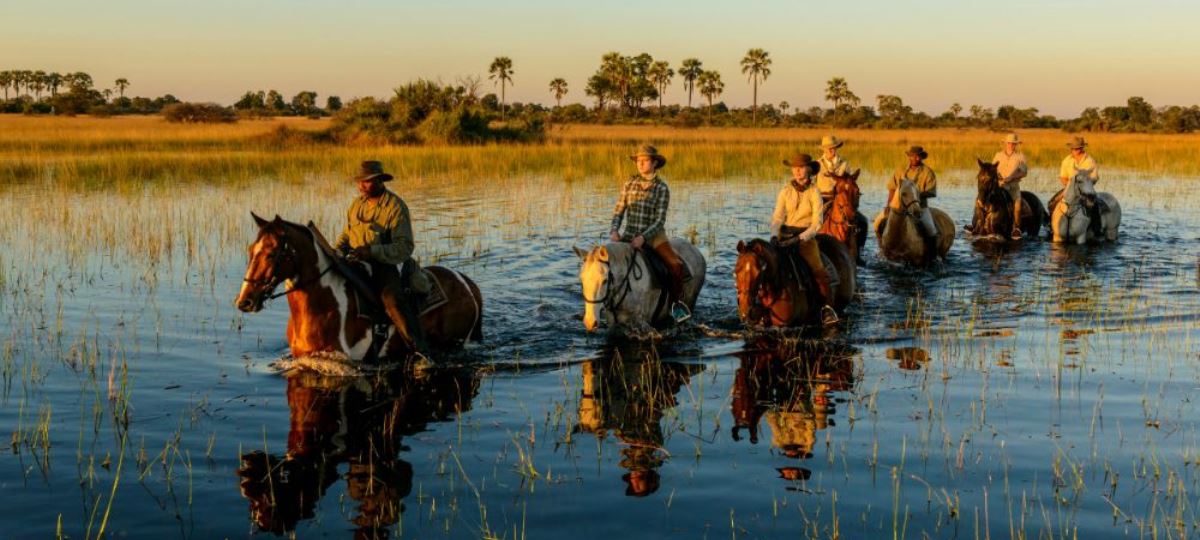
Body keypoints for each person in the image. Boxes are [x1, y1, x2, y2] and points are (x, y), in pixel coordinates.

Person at [335, 160, 430, 355]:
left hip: (384, 267)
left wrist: (372, 252)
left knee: (393, 302)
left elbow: (404, 247)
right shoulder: (356, 205)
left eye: (367, 181)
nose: (361, 186)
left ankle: (420, 352)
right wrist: (335, 251)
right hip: (355, 264)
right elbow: (347, 234)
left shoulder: (395, 207)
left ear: (379, 180)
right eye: (359, 181)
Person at [609, 145, 690, 323]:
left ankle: (676, 305)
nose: (640, 163)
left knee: (676, 266)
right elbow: (618, 211)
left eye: (645, 160)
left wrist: (643, 237)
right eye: (638, 160)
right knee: (605, 265)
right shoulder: (628, 184)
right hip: (629, 233)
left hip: (654, 236)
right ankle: (605, 304)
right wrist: (614, 230)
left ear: (654, 163)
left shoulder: (662, 188)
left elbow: (659, 220)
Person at [770, 154, 839, 326]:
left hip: (806, 236)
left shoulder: (814, 192)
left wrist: (801, 238)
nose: (797, 171)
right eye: (795, 168)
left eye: (801, 168)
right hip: (785, 234)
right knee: (767, 266)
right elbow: (778, 216)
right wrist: (773, 233)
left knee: (818, 270)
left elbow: (817, 222)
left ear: (809, 170)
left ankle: (827, 309)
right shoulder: (785, 190)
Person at [884, 146, 939, 264]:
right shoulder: (900, 171)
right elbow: (892, 188)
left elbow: (931, 192)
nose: (915, 158)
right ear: (909, 156)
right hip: (898, 207)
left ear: (921, 157)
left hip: (920, 207)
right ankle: (884, 250)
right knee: (878, 223)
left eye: (918, 156)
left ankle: (932, 257)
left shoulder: (928, 172)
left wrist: (915, 194)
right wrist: (888, 205)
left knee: (931, 229)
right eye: (912, 155)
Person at [1057, 136, 1104, 237]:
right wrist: (1070, 186)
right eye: (1072, 148)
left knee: (1094, 206)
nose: (1073, 150)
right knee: (1053, 203)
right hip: (1069, 189)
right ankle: (1053, 226)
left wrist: (1084, 185)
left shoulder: (1090, 161)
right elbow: (1063, 177)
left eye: (1076, 148)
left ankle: (1096, 228)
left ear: (1082, 148)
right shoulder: (1066, 160)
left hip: (1086, 190)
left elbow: (1094, 177)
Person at [815, 135, 850, 202]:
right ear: (823, 149)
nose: (829, 150)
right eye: (826, 148)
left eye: (832, 147)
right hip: (822, 199)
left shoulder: (844, 164)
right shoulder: (817, 164)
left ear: (836, 148)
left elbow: (849, 183)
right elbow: (812, 185)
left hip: (840, 199)